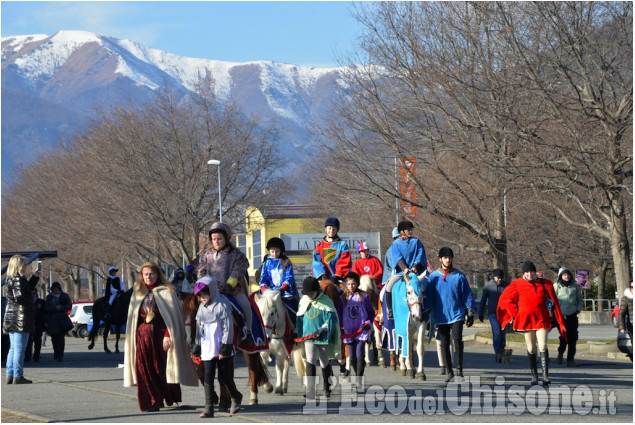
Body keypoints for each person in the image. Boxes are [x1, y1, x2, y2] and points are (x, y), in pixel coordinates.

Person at [123, 261, 198, 412]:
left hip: (161, 335)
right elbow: (133, 318)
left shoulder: (167, 291)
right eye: (146, 274)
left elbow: (173, 318)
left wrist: (168, 335)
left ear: (158, 275)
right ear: (142, 276)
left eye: (151, 274)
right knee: (145, 369)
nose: (149, 277)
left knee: (163, 368)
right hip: (143, 336)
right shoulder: (137, 292)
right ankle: (152, 400)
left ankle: (167, 396)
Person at [497, 261, 567, 386]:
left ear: (535, 271)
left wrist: (558, 318)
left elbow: (555, 302)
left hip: (542, 319)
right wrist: (513, 312)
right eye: (527, 272)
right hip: (526, 321)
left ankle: (545, 376)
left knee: (543, 346)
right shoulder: (516, 284)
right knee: (531, 348)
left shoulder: (546, 284)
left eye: (532, 271)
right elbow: (505, 299)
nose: (530, 274)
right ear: (524, 273)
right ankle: (534, 376)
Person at [198, 222, 254, 346]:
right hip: (210, 292)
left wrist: (229, 285)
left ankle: (248, 332)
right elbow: (201, 271)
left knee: (246, 306)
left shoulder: (236, 254)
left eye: (219, 239)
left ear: (226, 238)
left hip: (232, 291)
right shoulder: (205, 255)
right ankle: (197, 339)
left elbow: (238, 270)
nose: (216, 242)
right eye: (214, 239)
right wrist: (202, 287)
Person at [194, 275, 243, 417]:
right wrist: (197, 347)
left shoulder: (222, 305)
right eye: (200, 295)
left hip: (221, 346)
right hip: (207, 347)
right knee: (208, 377)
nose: (203, 297)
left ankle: (236, 397)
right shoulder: (201, 308)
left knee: (224, 376)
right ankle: (209, 407)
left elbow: (228, 328)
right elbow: (199, 329)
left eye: (205, 293)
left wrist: (225, 348)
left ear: (213, 291)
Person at [425, 247, 476, 382]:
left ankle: (459, 371)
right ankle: (449, 372)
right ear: (440, 259)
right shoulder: (433, 277)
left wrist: (470, 311)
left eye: (450, 257)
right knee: (445, 343)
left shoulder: (459, 275)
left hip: (457, 313)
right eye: (445, 257)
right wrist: (428, 316)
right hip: (441, 316)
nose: (448, 260)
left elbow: (467, 295)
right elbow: (429, 298)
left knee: (457, 340)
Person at [296, 276, 340, 399]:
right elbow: (300, 318)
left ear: (317, 290)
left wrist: (320, 330)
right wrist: (298, 333)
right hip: (309, 337)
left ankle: (327, 388)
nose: (309, 295)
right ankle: (311, 389)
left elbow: (331, 319)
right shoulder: (303, 301)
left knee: (324, 361)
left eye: (311, 293)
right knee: (310, 361)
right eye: (307, 293)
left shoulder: (326, 300)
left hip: (324, 337)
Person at [3, 255, 40, 384]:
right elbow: (21, 297)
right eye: (24, 264)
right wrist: (32, 304)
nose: (26, 266)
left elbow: (24, 290)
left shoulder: (10, 279)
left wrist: (35, 277)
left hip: (11, 316)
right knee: (19, 348)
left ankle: (10, 374)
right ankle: (18, 375)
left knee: (13, 348)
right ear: (19, 266)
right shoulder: (19, 279)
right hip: (21, 317)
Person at [337, 272, 375, 391]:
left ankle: (359, 380)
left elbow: (370, 312)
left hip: (361, 329)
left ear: (357, 284)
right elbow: (338, 313)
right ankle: (356, 373)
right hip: (348, 330)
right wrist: (340, 326)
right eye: (348, 284)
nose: (351, 286)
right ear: (346, 285)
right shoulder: (343, 298)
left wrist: (368, 322)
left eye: (353, 284)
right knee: (352, 356)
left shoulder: (364, 296)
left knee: (360, 354)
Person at [385, 220, 427, 321]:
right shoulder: (396, 244)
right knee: (389, 288)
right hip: (401, 273)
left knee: (427, 284)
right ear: (402, 231)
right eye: (409, 230)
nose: (411, 231)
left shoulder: (416, 241)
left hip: (415, 272)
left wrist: (415, 266)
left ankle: (426, 308)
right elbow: (397, 258)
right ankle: (390, 311)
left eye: (411, 230)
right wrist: (404, 269)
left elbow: (420, 254)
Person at [258, 237, 300, 321]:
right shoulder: (266, 263)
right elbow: (263, 279)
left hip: (284, 292)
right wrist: (264, 290)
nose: (274, 254)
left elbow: (289, 278)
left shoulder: (286, 262)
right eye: (272, 251)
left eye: (277, 251)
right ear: (269, 251)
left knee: (294, 309)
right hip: (270, 292)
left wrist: (282, 289)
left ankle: (296, 325)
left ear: (280, 250)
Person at [478, 268, 509, 363]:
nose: (499, 279)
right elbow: (483, 300)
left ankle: (502, 351)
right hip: (493, 313)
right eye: (497, 277)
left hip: (504, 314)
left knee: (503, 335)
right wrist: (481, 313)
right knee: (496, 333)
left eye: (501, 278)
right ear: (494, 277)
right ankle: (497, 354)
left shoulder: (506, 286)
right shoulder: (488, 286)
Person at [554, 267, 583, 367]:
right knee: (564, 337)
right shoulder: (556, 286)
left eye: (568, 275)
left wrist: (578, 309)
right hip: (561, 316)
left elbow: (580, 300)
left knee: (573, 338)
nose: (566, 276)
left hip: (572, 315)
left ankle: (570, 359)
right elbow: (552, 300)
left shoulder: (574, 287)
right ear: (560, 276)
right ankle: (560, 352)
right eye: (564, 275)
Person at [312, 216, 352, 290]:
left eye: (334, 229)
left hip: (338, 278)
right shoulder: (320, 245)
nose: (331, 231)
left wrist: (337, 275)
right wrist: (322, 274)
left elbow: (344, 261)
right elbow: (317, 262)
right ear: (325, 229)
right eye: (329, 228)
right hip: (323, 277)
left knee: (345, 294)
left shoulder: (342, 245)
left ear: (337, 230)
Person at [45, 281, 72, 363]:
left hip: (62, 320)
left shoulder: (64, 296)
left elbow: (69, 305)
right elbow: (46, 308)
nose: (56, 291)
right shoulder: (49, 297)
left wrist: (63, 308)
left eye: (57, 289)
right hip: (52, 320)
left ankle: (60, 355)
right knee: (54, 339)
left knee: (61, 339)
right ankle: (56, 353)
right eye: (54, 290)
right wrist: (54, 308)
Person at [25, 287, 47, 363]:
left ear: (36, 293)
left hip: (38, 324)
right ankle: (27, 357)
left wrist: (40, 308)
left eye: (33, 293)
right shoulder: (26, 301)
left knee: (37, 341)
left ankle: (36, 356)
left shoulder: (41, 301)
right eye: (30, 293)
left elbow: (45, 312)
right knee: (28, 342)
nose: (32, 295)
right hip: (29, 323)